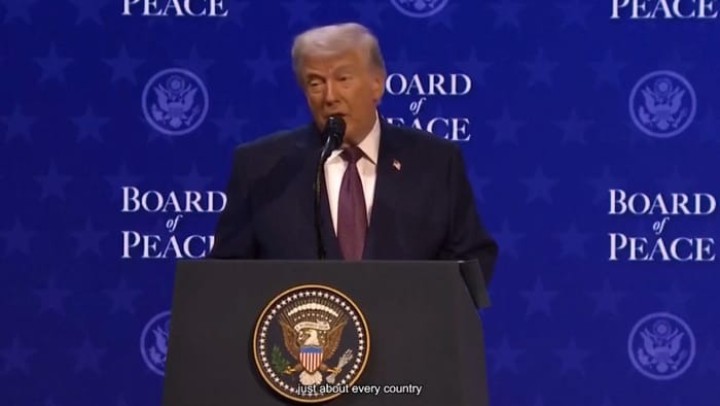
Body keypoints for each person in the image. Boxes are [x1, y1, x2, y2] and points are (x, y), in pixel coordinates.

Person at [208, 22, 499, 285]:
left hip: (407, 327)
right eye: (315, 83)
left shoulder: (435, 162)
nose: (330, 96)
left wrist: (421, 309)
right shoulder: (262, 167)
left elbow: (471, 259)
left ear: (377, 84)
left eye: (344, 79)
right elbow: (226, 275)